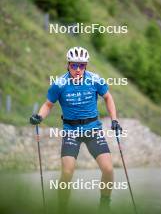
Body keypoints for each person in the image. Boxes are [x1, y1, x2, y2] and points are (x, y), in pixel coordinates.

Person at [30, 46, 122, 212]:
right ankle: (62, 208)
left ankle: (104, 206)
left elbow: (108, 97)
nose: (77, 69)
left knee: (108, 169)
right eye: (74, 65)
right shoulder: (59, 84)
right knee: (67, 172)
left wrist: (114, 120)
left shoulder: (95, 80)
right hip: (71, 130)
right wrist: (39, 116)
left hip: (93, 129)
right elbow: (48, 104)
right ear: (68, 65)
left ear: (86, 65)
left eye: (81, 65)